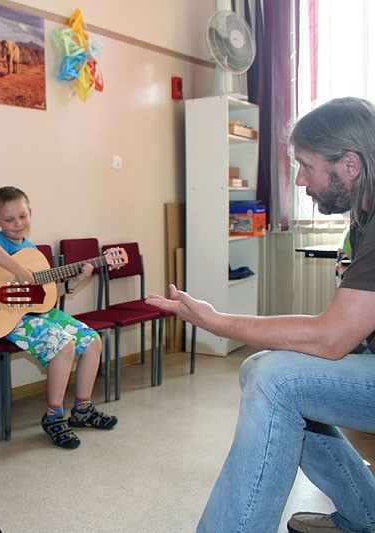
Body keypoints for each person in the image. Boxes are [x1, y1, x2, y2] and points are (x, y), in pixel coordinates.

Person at [146, 97, 375, 533]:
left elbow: (331, 337)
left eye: (306, 166)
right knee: (260, 368)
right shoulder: (363, 220)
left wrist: (218, 321)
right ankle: (369, 514)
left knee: (278, 380)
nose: (301, 180)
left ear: (349, 164)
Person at [0, 186, 118, 450]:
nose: (18, 224)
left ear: (31, 214)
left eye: (23, 216)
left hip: (37, 313)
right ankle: (53, 416)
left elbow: (46, 297)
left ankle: (82, 409)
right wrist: (17, 269)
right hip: (9, 318)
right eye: (9, 219)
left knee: (92, 339)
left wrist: (73, 283)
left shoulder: (34, 252)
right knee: (64, 344)